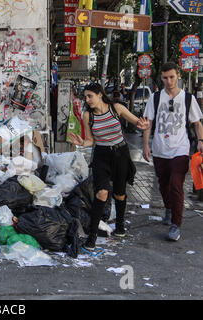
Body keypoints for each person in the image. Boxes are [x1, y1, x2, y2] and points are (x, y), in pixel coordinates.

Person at [68, 83, 149, 251]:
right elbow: (91, 140)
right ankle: (92, 237)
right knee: (102, 192)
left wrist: (143, 125)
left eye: (90, 96)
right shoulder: (87, 116)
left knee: (119, 194)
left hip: (120, 154)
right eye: (85, 97)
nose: (87, 100)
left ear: (99, 95)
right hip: (101, 156)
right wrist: (82, 142)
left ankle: (120, 226)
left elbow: (136, 121)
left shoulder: (116, 108)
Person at [142, 62, 203, 241]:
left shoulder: (187, 98)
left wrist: (201, 141)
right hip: (160, 150)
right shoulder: (155, 98)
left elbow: (197, 123)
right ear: (161, 78)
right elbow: (148, 123)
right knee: (163, 184)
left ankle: (176, 224)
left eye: (172, 77)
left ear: (178, 76)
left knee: (176, 185)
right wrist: (145, 145)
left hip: (180, 149)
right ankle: (168, 208)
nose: (169, 81)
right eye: (165, 78)